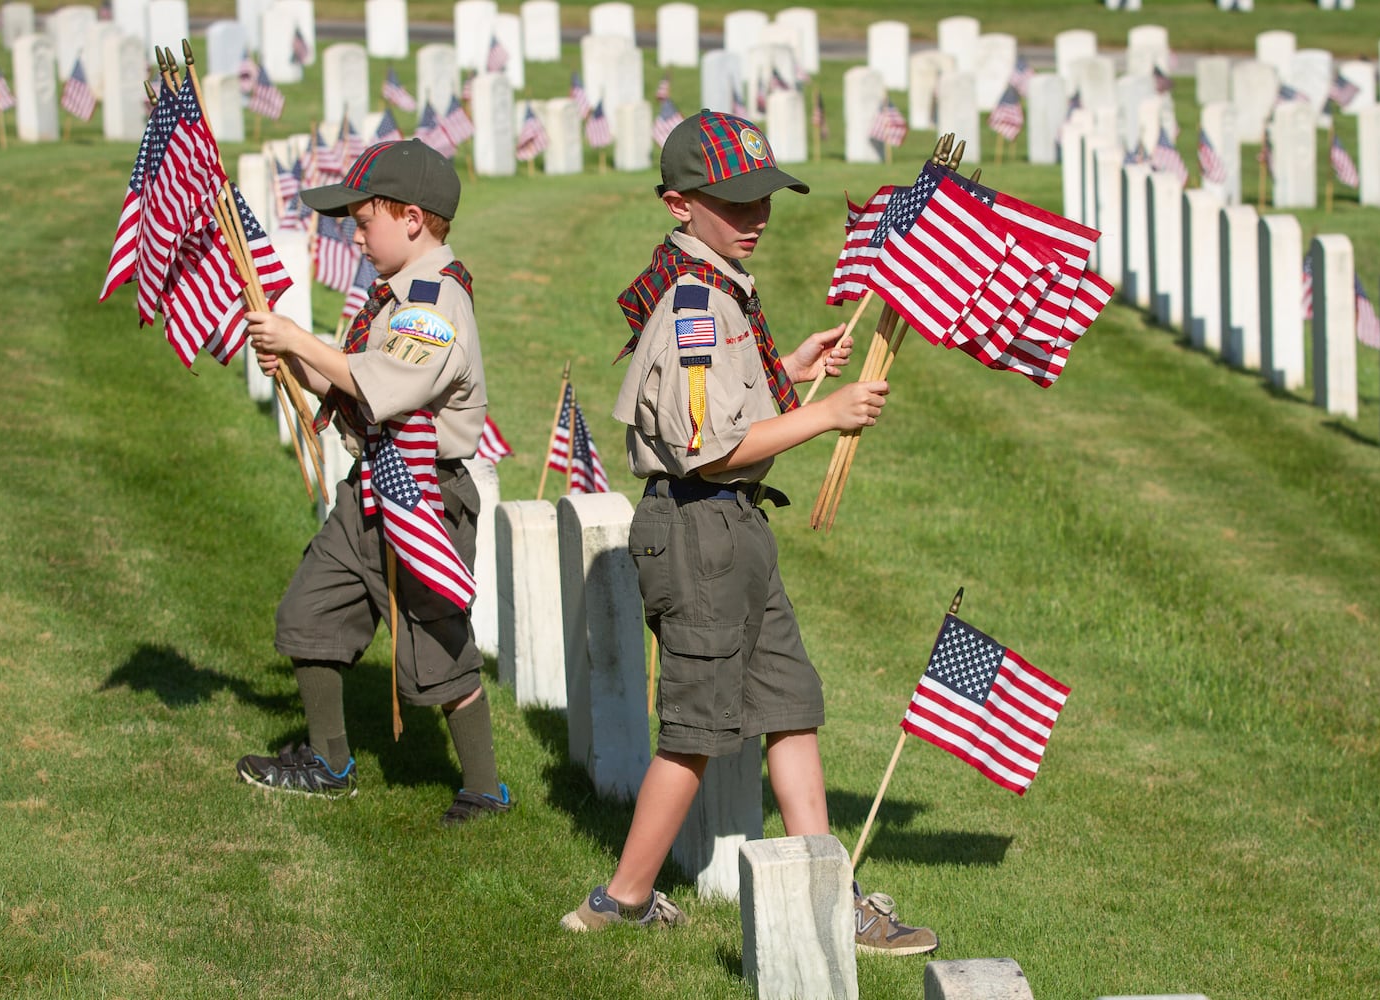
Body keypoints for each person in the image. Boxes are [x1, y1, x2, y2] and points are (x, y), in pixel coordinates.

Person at [560, 111, 937, 955]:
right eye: (733, 202)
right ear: (677, 204)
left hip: (734, 531)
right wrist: (824, 416)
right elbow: (708, 450)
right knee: (695, 730)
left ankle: (828, 895)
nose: (755, 216)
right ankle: (617, 901)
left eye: (763, 197)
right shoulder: (694, 304)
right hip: (698, 531)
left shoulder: (722, 288)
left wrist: (790, 373)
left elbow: (726, 402)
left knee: (789, 705)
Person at [234, 139, 511, 826]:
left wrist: (298, 338)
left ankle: (485, 787)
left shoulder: (432, 302)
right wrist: (293, 363)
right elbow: (350, 384)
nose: (355, 238)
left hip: (422, 495)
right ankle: (329, 763)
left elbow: (384, 382)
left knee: (437, 654)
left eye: (364, 223)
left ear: (412, 218)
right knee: (308, 617)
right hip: (370, 491)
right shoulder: (395, 298)